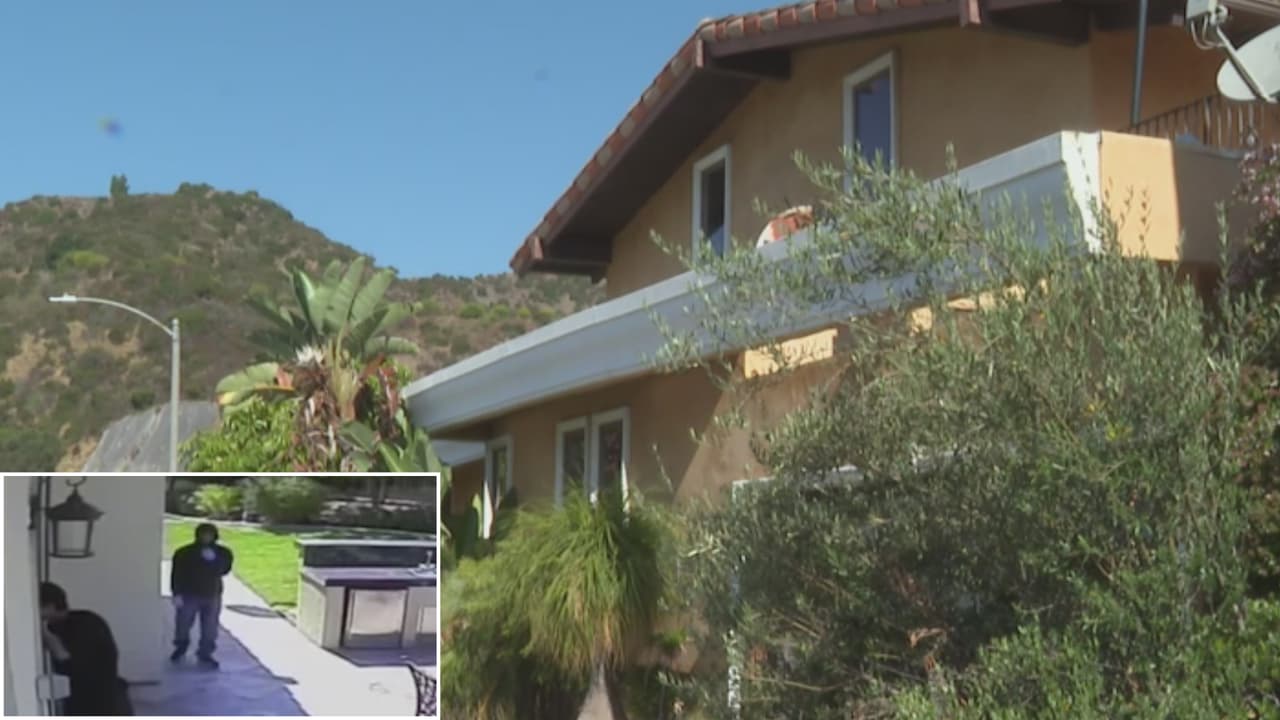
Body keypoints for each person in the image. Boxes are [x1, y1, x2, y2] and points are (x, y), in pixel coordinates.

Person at [39, 582, 134, 716]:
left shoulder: (86, 626)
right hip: (96, 698)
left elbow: (73, 666)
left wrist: (52, 642)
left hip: (100, 703)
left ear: (50, 607)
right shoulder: (79, 620)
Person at [169, 522, 234, 669]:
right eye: (203, 534)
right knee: (183, 624)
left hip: (212, 595)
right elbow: (176, 574)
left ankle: (205, 653)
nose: (206, 537)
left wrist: (214, 560)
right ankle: (181, 646)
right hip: (188, 594)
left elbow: (224, 570)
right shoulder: (184, 553)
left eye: (209, 535)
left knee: (210, 628)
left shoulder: (223, 553)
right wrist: (176, 593)